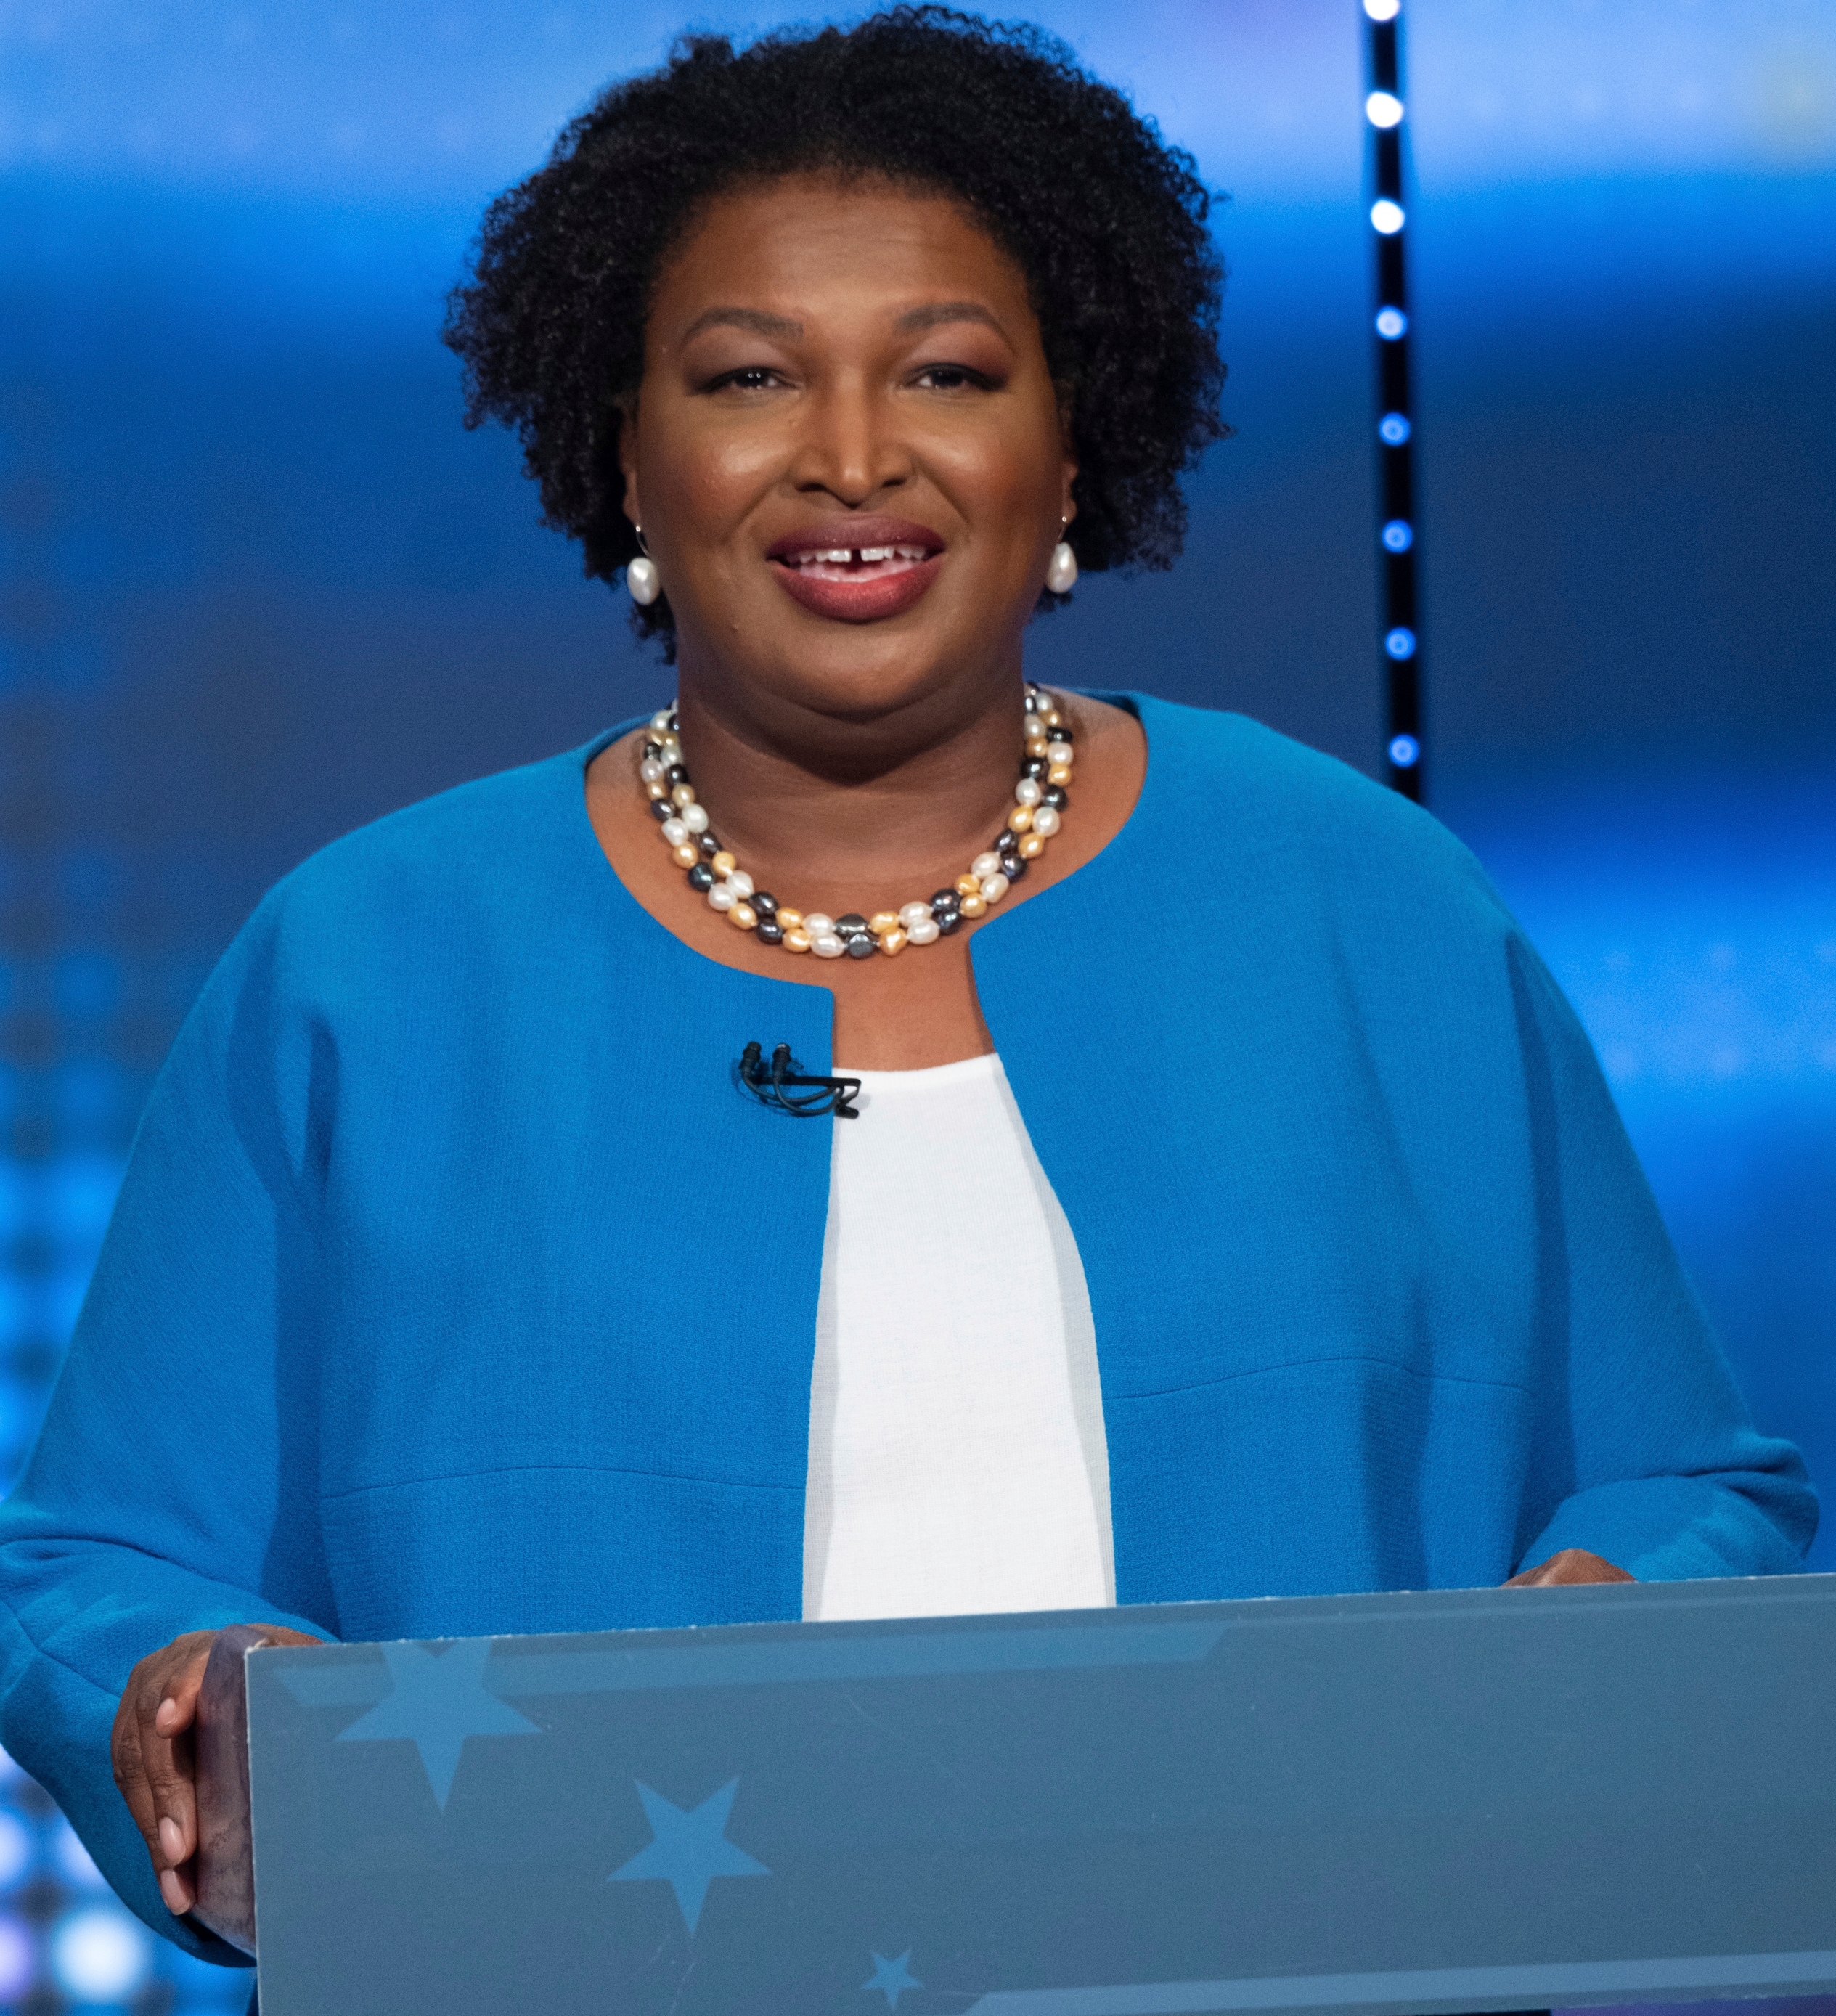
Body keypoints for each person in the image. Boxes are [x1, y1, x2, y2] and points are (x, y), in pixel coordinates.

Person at [0, 5, 1813, 1983]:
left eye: (945, 370)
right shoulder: (365, 960)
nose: (852, 455)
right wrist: (200, 1708)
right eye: (748, 376)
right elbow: (96, 1563)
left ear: (1067, 444)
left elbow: (1688, 1484)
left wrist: (1592, 1619)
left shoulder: (1363, 904)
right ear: (624, 453)